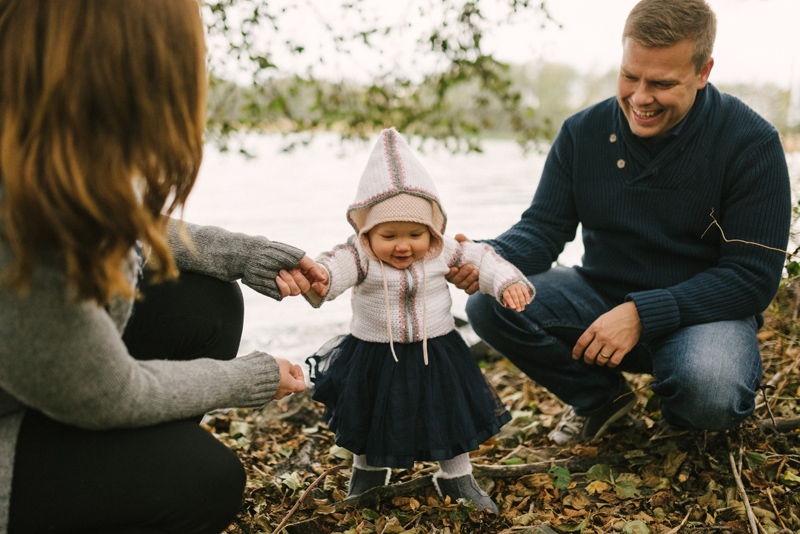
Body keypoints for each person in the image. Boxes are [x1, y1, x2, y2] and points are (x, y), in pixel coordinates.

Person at [0, 1, 321, 533]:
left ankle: (123, 473)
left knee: (205, 300)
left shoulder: (53, 135)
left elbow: (126, 225)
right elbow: (106, 392)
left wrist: (246, 255)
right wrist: (251, 377)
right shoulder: (19, 216)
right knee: (201, 479)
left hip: (33, 381)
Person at [449, 0, 792, 444]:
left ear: (703, 72)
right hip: (599, 301)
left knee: (709, 392)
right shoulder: (582, 133)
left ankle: (682, 414)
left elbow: (752, 278)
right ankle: (603, 403)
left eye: (662, 83)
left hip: (706, 317)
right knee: (491, 303)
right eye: (630, 76)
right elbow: (543, 230)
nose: (640, 97)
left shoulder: (752, 144)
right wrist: (479, 258)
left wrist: (641, 314)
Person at [297, 128, 534, 513]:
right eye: (389, 235)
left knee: (448, 412)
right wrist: (317, 280)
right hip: (374, 351)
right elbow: (331, 270)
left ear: (433, 232)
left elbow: (483, 258)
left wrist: (506, 282)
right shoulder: (358, 256)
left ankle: (457, 478)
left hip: (436, 348)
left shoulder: (443, 252)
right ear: (366, 233)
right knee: (371, 414)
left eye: (415, 234)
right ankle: (368, 475)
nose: (403, 245)